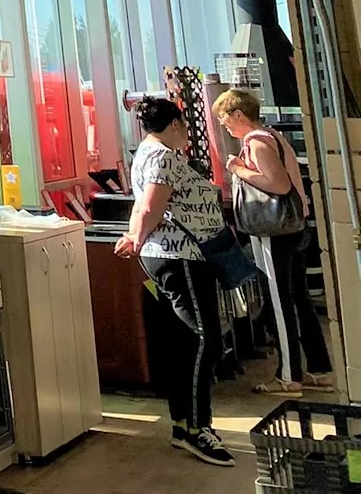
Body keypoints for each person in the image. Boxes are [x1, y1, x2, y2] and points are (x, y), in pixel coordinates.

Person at [115, 96, 234, 466]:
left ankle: (185, 423)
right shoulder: (163, 156)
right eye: (184, 126)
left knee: (185, 341)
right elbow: (151, 205)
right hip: (180, 256)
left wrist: (134, 237)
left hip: (171, 255)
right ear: (176, 124)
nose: (186, 133)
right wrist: (136, 238)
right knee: (204, 339)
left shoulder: (147, 153)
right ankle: (197, 427)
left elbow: (142, 206)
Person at [217, 87, 334, 393]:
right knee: (300, 299)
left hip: (274, 231)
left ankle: (288, 375)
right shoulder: (274, 137)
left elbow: (279, 185)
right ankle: (319, 369)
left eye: (224, 118)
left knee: (279, 303)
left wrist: (238, 169)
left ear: (238, 115)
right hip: (295, 228)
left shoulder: (256, 142)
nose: (223, 125)